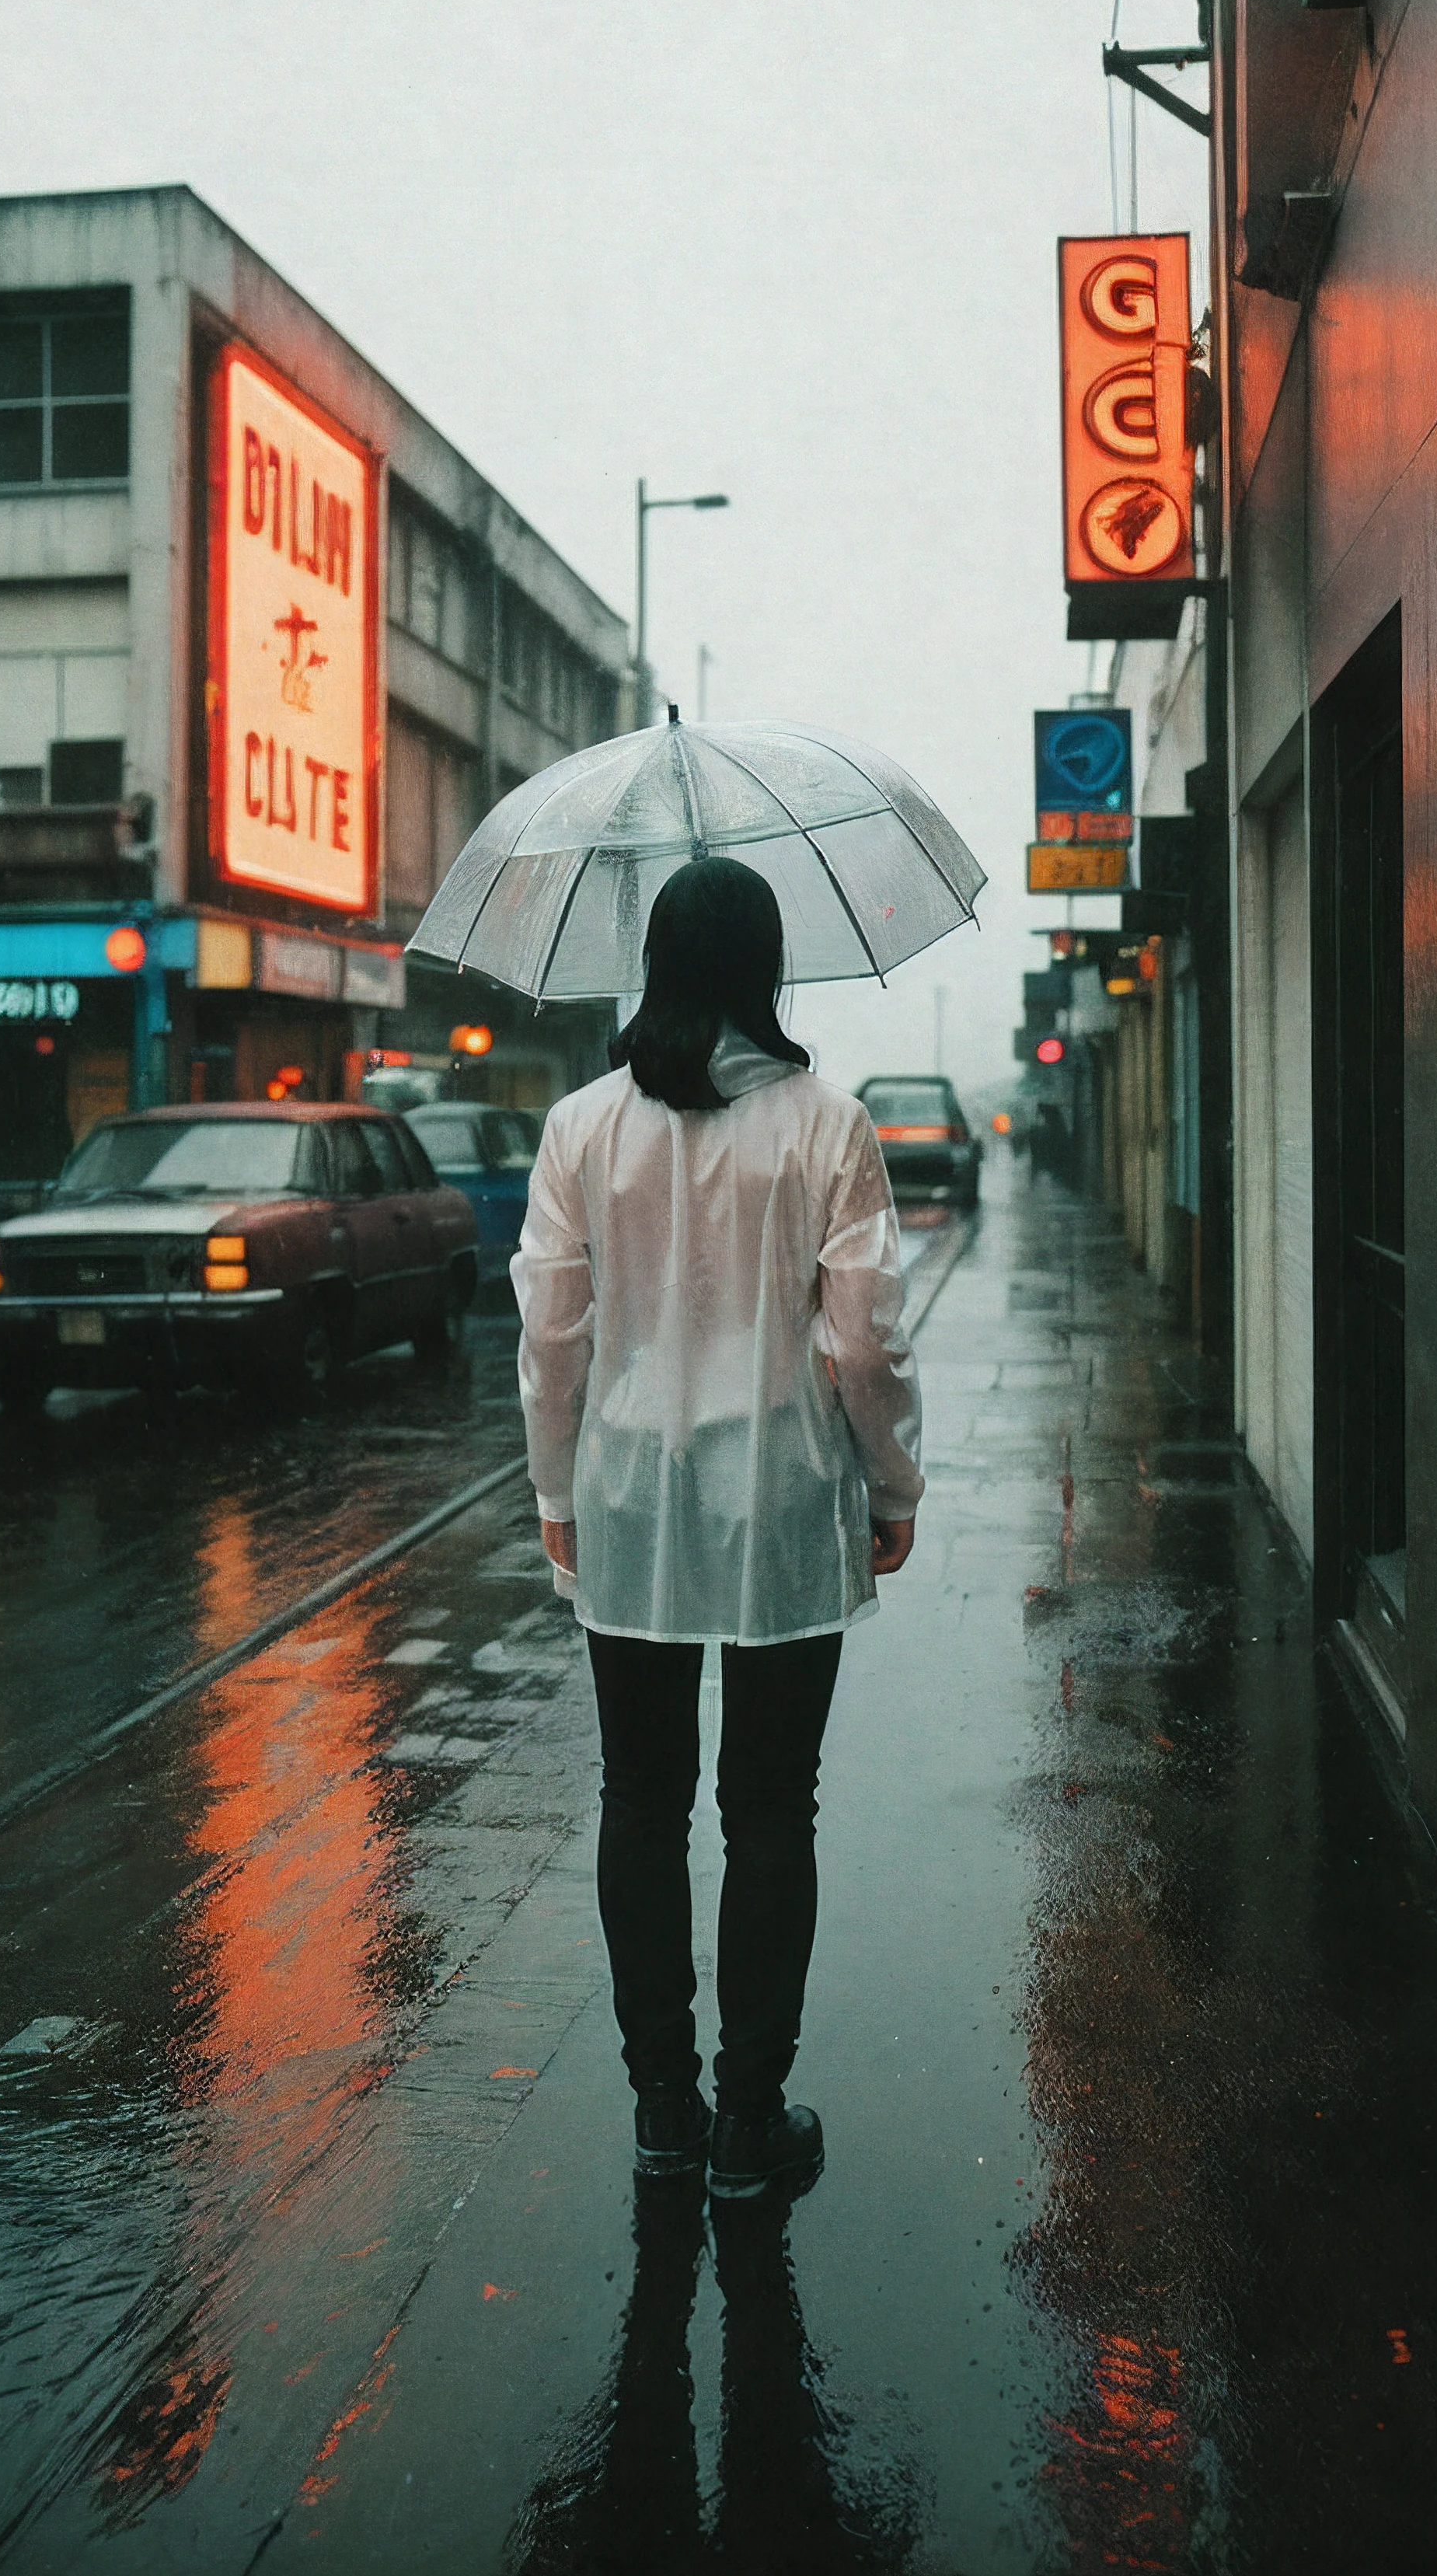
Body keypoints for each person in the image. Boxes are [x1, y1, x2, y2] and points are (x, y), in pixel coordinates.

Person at [511, 856, 923, 2203]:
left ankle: (661, 2115)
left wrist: (557, 1492)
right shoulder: (828, 1124)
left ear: (652, 966)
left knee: (640, 1800)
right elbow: (863, 1342)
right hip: (783, 1498)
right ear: (767, 966)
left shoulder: (581, 1127)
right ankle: (751, 2121)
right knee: (767, 1806)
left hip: (629, 1496)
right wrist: (893, 1488)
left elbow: (552, 1336)